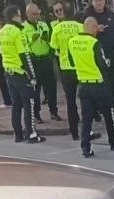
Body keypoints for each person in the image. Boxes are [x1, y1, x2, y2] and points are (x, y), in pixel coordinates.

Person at [69, 17, 114, 158]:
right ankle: (113, 142)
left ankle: (85, 148)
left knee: (86, 119)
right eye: (96, 27)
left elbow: (71, 62)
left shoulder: (72, 41)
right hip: (99, 84)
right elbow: (103, 64)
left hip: (83, 85)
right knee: (109, 114)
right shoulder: (94, 42)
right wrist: (109, 61)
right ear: (93, 27)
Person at [0, 7, 45, 143]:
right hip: (20, 72)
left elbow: (2, 53)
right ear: (15, 16)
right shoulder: (17, 32)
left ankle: (18, 134)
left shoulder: (1, 32)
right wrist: (32, 76)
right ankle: (32, 134)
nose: (21, 17)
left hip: (8, 72)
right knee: (29, 103)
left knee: (16, 105)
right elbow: (24, 56)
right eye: (19, 15)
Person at [49, 9, 85, 140]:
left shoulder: (57, 28)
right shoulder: (80, 27)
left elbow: (54, 48)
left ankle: (74, 131)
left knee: (70, 101)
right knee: (85, 100)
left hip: (66, 69)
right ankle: (88, 130)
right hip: (80, 67)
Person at [25, 4, 60, 122]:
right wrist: (32, 40)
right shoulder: (23, 27)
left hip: (46, 59)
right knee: (35, 89)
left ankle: (53, 112)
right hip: (33, 60)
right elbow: (22, 45)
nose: (37, 16)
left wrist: (47, 40)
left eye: (38, 14)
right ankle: (36, 114)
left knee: (51, 87)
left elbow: (52, 41)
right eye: (34, 14)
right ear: (28, 14)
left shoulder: (44, 24)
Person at [85, 0, 114, 111]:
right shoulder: (87, 15)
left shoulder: (110, 14)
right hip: (95, 55)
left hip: (111, 53)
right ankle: (100, 108)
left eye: (101, 0)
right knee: (99, 83)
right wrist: (94, 30)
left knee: (113, 82)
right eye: (96, 0)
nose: (99, 2)